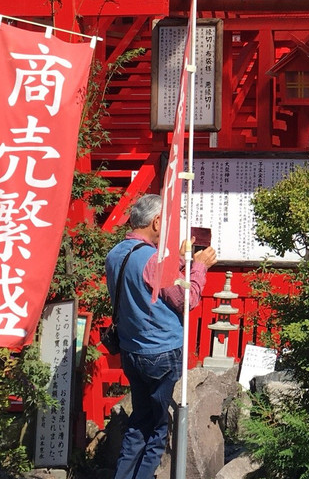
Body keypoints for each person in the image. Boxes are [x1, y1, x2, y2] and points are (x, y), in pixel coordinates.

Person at [104, 194, 217, 479]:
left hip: (132, 350)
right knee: (157, 427)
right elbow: (186, 299)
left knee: (139, 420)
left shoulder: (116, 254)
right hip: (161, 353)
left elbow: (147, 278)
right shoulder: (155, 260)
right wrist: (199, 266)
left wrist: (178, 259)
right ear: (156, 222)